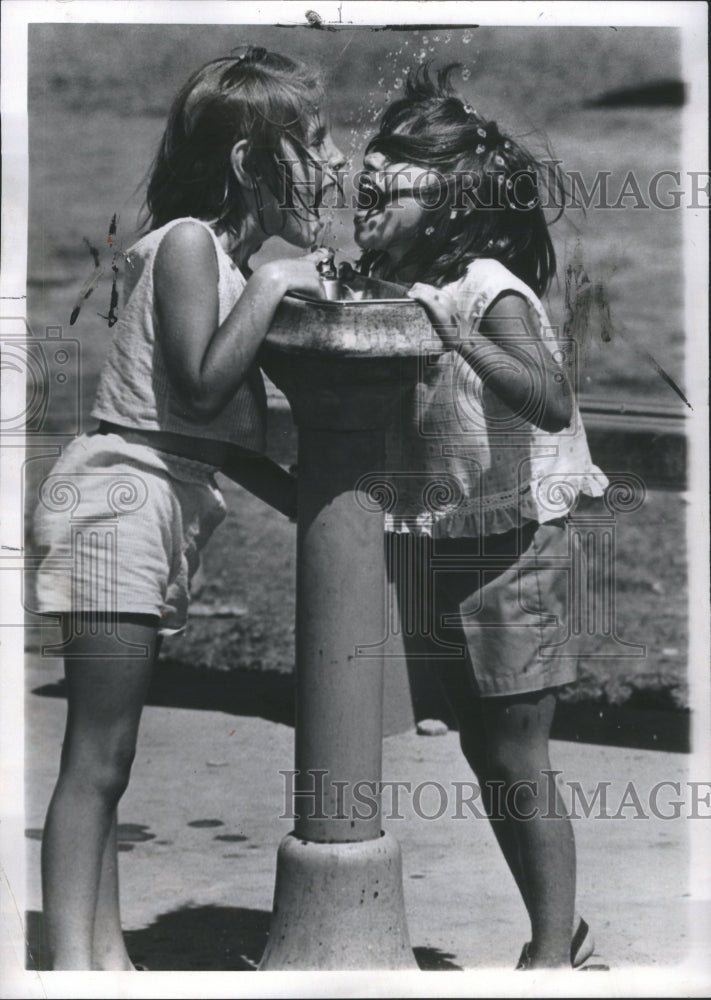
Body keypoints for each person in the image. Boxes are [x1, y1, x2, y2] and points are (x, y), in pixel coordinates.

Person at [32, 46, 345, 970]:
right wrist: (281, 282)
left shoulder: (209, 254)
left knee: (108, 757)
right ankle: (73, 969)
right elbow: (206, 393)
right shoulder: (188, 246)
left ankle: (105, 957)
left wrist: (312, 504)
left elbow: (204, 440)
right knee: (97, 756)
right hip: (117, 502)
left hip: (151, 494)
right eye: (314, 143)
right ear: (252, 163)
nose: (332, 165)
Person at [354, 65, 608, 969]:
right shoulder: (390, 277)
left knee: (516, 753)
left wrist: (463, 342)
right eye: (363, 183)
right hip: (445, 533)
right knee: (482, 746)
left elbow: (545, 397)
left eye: (389, 185)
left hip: (516, 543)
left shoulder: (486, 288)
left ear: (454, 200)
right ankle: (554, 927)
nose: (365, 195)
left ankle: (550, 949)